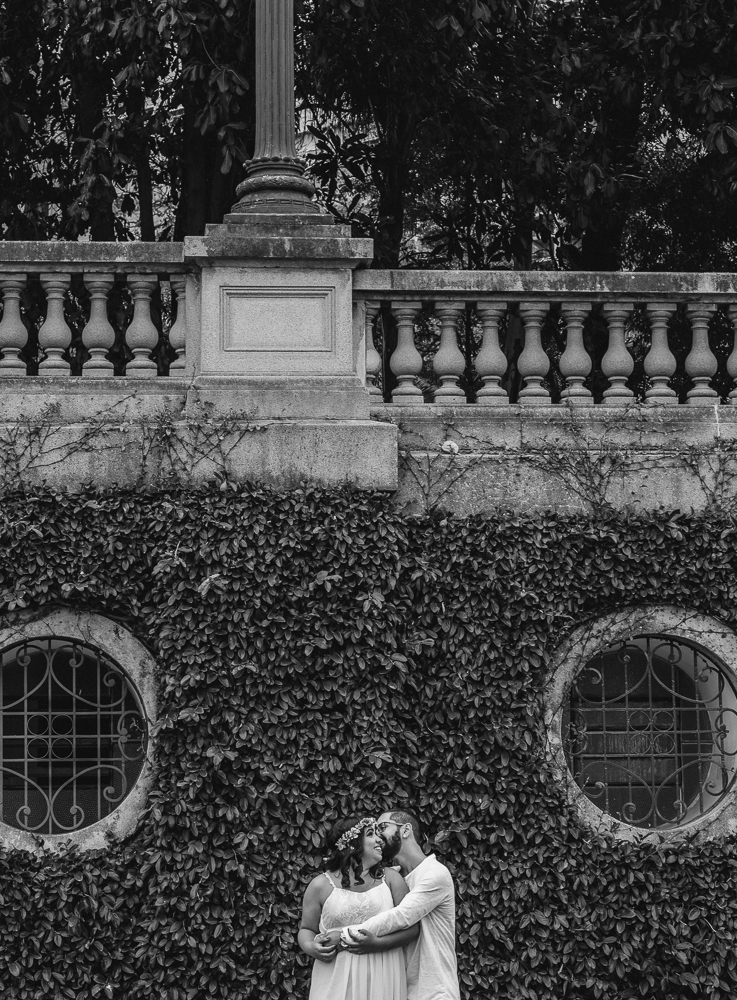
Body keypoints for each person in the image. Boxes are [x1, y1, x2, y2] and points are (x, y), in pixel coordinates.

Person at [298, 815, 420, 1000]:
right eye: (371, 834)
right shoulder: (320, 886)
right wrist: (310, 946)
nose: (379, 839)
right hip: (335, 975)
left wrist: (377, 944)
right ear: (351, 844)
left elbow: (412, 929)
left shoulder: (391, 880)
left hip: (383, 972)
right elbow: (306, 929)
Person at [342, 809, 460, 1000]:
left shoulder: (435, 874)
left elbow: (401, 916)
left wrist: (344, 935)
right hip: (399, 988)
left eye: (382, 827)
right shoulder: (392, 877)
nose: (377, 837)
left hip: (435, 990)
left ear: (405, 830)